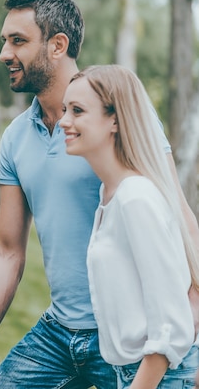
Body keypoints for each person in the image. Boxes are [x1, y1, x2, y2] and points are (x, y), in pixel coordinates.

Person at [0, 0, 199, 389]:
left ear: (58, 45)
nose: (4, 54)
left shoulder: (116, 121)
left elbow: (176, 214)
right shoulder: (16, 138)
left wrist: (191, 315)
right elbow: (5, 249)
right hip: (60, 331)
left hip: (128, 336)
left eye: (18, 41)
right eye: (4, 41)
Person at [58, 64, 199, 387]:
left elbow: (169, 325)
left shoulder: (135, 198)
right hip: (130, 373)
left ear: (115, 120)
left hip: (157, 377)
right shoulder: (110, 193)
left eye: (77, 111)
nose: (64, 121)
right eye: (66, 109)